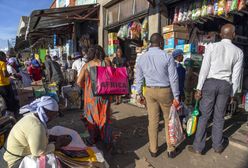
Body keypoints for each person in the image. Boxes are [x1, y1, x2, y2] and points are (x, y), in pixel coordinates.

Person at [188, 24, 244, 155]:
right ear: (233, 34)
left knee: (204, 116)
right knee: (219, 116)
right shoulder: (238, 52)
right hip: (225, 85)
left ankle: (198, 147)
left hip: (210, 83)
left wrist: (199, 88)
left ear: (220, 33)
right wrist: (232, 93)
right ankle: (218, 146)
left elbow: (204, 69)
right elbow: (236, 76)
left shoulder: (212, 46)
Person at [136, 33, 180, 158]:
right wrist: (176, 96)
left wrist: (139, 93)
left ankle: (153, 149)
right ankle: (170, 148)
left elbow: (138, 78)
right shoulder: (167, 57)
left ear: (150, 43)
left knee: (153, 120)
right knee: (168, 119)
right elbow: (174, 79)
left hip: (149, 91)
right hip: (165, 91)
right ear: (160, 43)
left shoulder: (142, 58)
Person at [3, 96, 72, 168]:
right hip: (17, 162)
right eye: (53, 115)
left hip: (17, 155)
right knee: (53, 160)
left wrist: (54, 138)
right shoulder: (36, 126)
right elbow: (38, 153)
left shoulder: (33, 117)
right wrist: (59, 144)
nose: (53, 118)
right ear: (45, 111)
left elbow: (39, 135)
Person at [76, 45, 112, 148]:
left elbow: (78, 82)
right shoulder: (106, 63)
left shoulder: (86, 65)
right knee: (105, 115)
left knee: (92, 117)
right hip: (105, 95)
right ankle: (106, 139)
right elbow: (111, 77)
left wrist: (86, 88)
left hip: (91, 96)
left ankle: (93, 138)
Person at [0, 51, 19, 117]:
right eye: (4, 56)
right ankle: (13, 113)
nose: (5, 57)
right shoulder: (2, 63)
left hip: (0, 86)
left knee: (5, 99)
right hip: (5, 84)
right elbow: (5, 74)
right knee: (10, 99)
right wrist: (10, 74)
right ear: (1, 56)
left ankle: (8, 113)